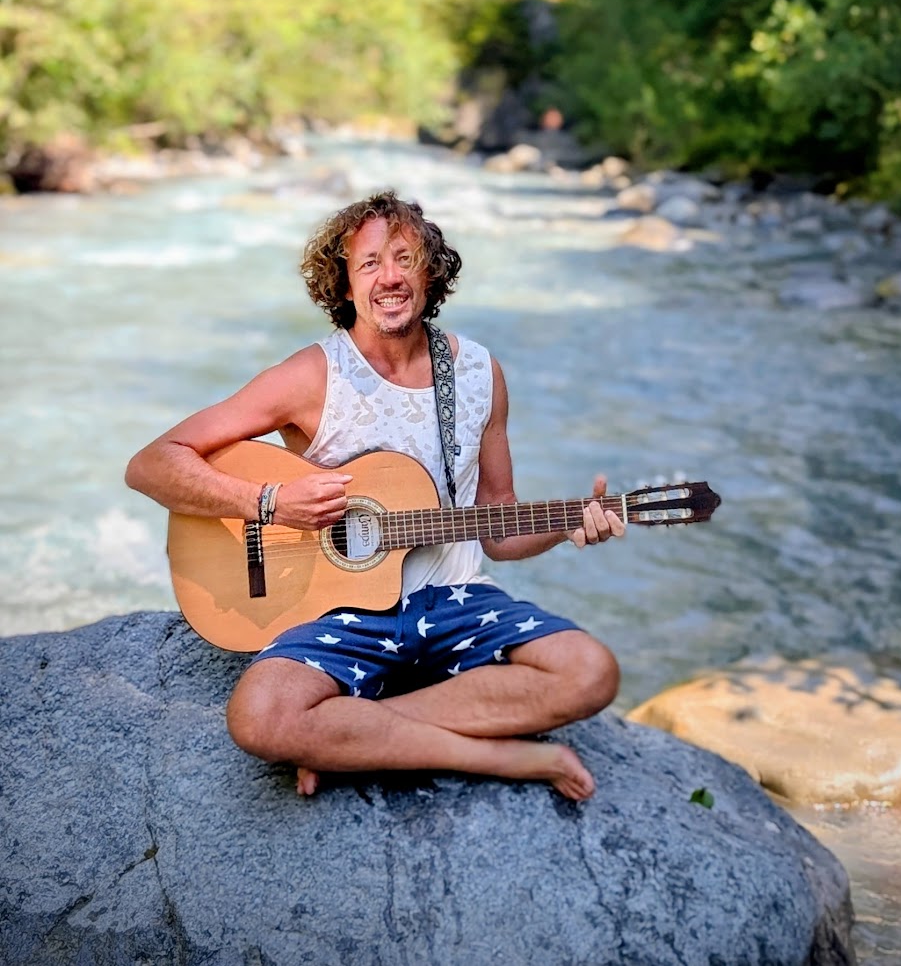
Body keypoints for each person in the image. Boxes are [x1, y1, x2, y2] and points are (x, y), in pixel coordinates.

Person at [126, 188, 624, 801]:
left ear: (431, 271)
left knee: (589, 670)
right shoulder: (312, 376)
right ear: (344, 285)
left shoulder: (477, 374)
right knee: (260, 715)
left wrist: (573, 521)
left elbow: (499, 529)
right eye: (369, 264)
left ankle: (350, 737)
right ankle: (498, 756)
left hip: (455, 602)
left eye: (404, 258)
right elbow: (152, 463)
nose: (389, 277)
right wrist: (269, 504)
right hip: (338, 614)